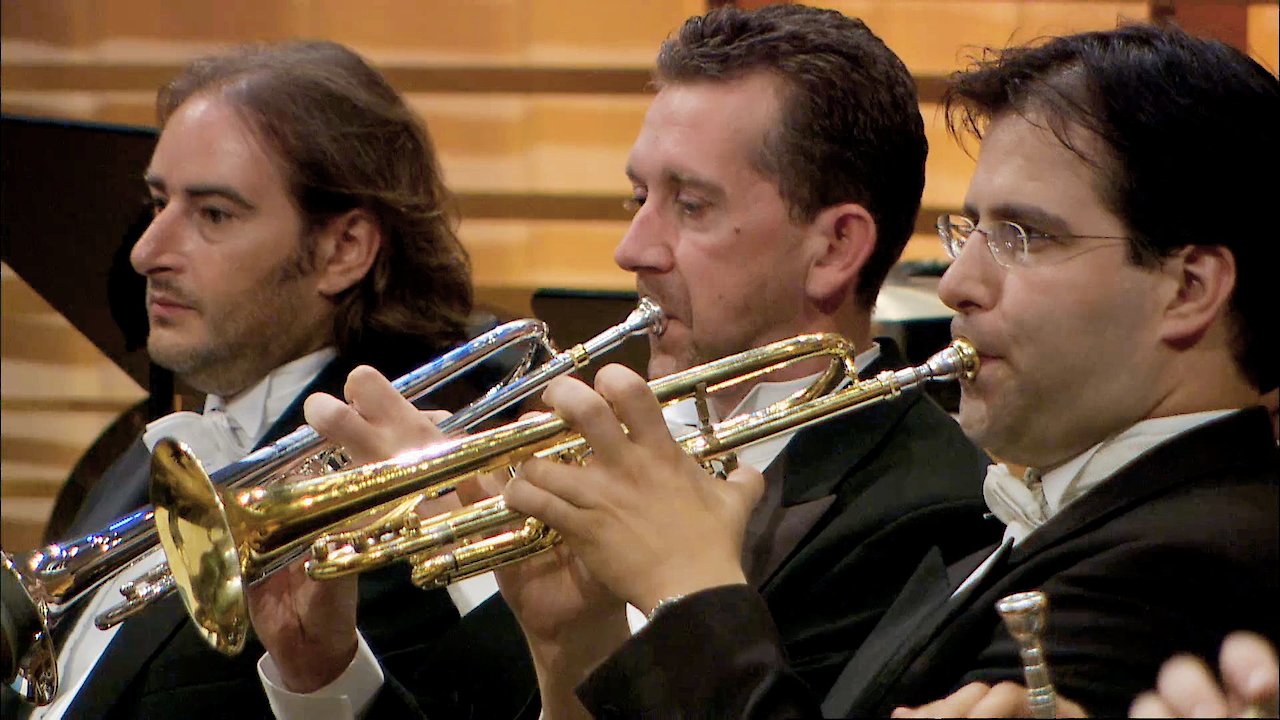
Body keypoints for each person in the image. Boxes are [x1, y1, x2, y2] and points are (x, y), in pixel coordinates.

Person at [497, 21, 1279, 719]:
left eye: (1026, 236)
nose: (956, 283)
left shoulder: (1191, 566)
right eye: (971, 231)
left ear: (1189, 289)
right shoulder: (1067, 525)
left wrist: (687, 587)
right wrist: (580, 649)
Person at [299, 3, 997, 715]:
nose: (632, 249)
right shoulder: (620, 450)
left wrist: (488, 587)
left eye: (689, 205)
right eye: (639, 196)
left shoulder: (926, 514)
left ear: (834, 248)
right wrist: (322, 673)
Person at [0, 40, 538, 720]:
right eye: (158, 201)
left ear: (343, 250)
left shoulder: (411, 486)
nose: (145, 251)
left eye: (213, 215)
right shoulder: (149, 447)